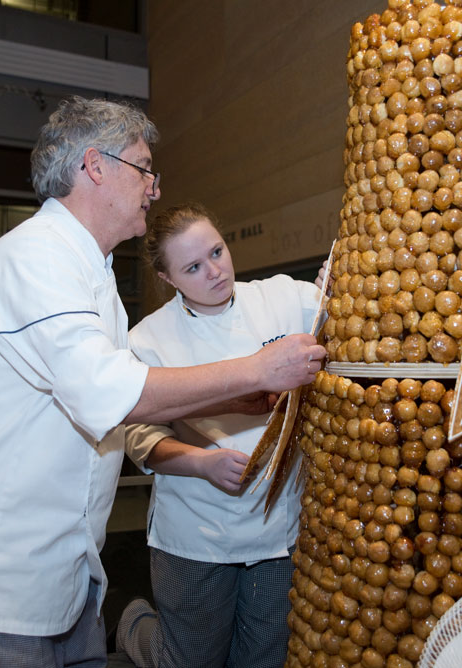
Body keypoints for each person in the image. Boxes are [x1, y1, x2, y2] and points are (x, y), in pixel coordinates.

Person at [0, 96, 325, 668]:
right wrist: (257, 370)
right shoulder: (36, 258)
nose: (155, 187)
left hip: (67, 576)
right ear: (96, 167)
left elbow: (117, 410)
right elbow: (110, 391)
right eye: (144, 169)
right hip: (0, 576)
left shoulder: (90, 272)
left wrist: (240, 394)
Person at [115, 203, 328, 668]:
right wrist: (200, 462)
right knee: (188, 661)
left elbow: (335, 299)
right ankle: (132, 623)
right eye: (193, 267)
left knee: (262, 659)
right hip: (196, 533)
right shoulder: (149, 340)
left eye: (217, 251)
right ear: (168, 278)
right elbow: (138, 437)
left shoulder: (280, 299)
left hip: (276, 531)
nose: (215, 271)